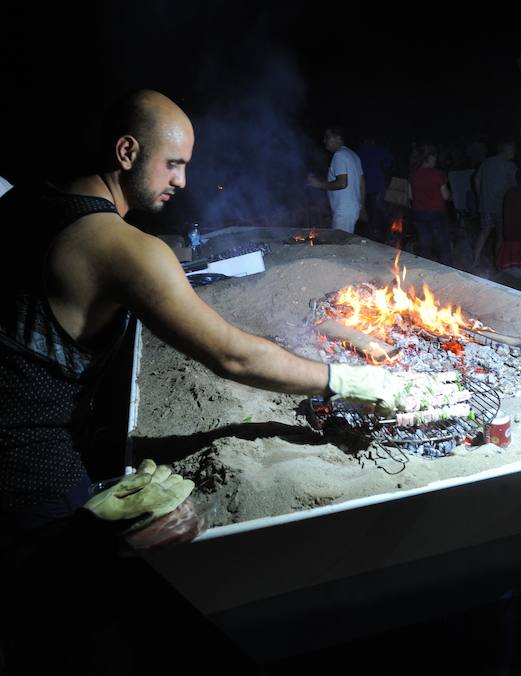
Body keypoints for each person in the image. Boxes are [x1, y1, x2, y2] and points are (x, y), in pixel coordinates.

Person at [0, 90, 406, 673]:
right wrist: (344, 378)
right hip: (26, 472)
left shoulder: (27, 200)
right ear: (126, 151)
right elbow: (233, 357)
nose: (184, 182)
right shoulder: (119, 247)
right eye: (174, 164)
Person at [307, 125, 366, 233]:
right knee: (343, 243)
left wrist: (318, 184)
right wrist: (361, 207)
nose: (324, 140)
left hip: (343, 209)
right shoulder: (353, 155)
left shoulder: (339, 155)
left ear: (338, 138)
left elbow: (342, 183)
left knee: (340, 246)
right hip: (351, 208)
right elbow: (362, 183)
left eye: (327, 137)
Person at [471, 138, 517, 269]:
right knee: (500, 234)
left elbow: (476, 179)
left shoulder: (487, 162)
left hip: (486, 204)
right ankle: (498, 264)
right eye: (513, 150)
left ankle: (475, 261)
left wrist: (480, 195)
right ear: (506, 150)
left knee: (484, 232)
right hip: (501, 205)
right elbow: (514, 187)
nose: (514, 152)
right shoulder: (510, 166)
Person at [408, 143, 452, 266]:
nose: (436, 160)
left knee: (424, 244)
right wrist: (452, 196)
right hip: (436, 213)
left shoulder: (413, 174)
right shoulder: (438, 174)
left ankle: (424, 269)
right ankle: (446, 270)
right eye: (435, 157)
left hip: (418, 214)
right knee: (442, 244)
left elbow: (410, 196)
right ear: (429, 157)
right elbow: (446, 196)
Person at [356, 134, 394, 241]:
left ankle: (374, 238)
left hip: (366, 189)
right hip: (379, 188)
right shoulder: (380, 150)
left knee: (372, 216)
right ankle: (385, 238)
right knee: (381, 214)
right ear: (372, 141)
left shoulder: (358, 152)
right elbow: (389, 165)